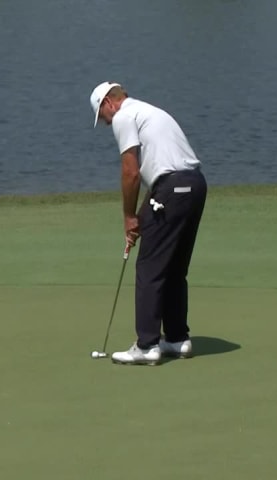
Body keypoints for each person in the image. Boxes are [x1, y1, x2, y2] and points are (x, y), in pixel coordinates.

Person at [89, 81, 208, 365]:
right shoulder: (150, 112)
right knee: (175, 267)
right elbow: (158, 177)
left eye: (103, 117)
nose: (107, 124)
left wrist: (129, 217)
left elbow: (130, 172)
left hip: (172, 188)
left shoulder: (123, 116)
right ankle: (178, 339)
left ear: (108, 103)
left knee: (149, 268)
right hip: (195, 186)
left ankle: (146, 345)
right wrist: (141, 220)